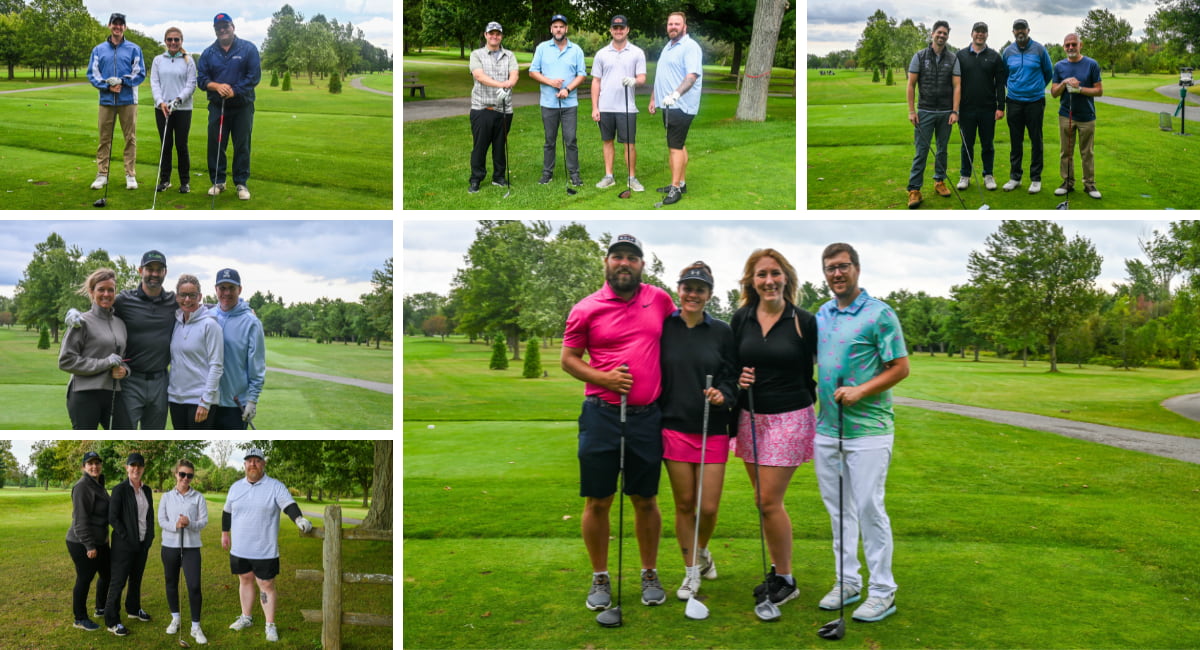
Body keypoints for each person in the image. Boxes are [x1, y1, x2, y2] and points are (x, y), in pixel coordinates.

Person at [561, 234, 676, 612]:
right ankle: (600, 576)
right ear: (606, 263)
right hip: (601, 415)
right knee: (599, 499)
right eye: (617, 257)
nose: (624, 263)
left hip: (646, 417)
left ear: (642, 264)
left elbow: (681, 338)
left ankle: (649, 571)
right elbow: (569, 359)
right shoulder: (585, 308)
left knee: (645, 498)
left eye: (632, 257)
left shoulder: (659, 300)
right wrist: (604, 378)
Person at [813, 243, 910, 623]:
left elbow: (900, 368)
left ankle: (883, 591)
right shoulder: (822, 313)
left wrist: (860, 390)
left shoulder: (879, 314)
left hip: (868, 430)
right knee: (840, 512)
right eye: (830, 268)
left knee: (870, 509)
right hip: (827, 428)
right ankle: (847, 580)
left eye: (843, 267)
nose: (836, 274)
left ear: (857, 268)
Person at [730, 248, 818, 608]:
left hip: (791, 416)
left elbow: (823, 367)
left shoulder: (804, 321)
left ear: (787, 278)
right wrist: (738, 377)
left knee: (768, 500)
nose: (769, 281)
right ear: (751, 281)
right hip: (751, 417)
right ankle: (777, 571)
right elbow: (729, 366)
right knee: (762, 501)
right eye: (762, 274)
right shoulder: (741, 319)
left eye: (775, 273)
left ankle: (785, 577)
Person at [659, 262, 736, 601]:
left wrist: (724, 394)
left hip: (713, 427)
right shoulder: (664, 327)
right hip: (674, 425)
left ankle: (702, 551)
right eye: (688, 287)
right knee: (685, 503)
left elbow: (732, 376)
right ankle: (691, 572)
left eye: (700, 289)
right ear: (679, 290)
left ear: (709, 295)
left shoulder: (721, 331)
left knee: (708, 507)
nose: (693, 294)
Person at [65, 251, 175, 429]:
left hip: (160, 381)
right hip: (130, 381)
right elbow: (99, 307)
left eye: (159, 269)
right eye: (149, 269)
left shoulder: (173, 301)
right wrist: (73, 311)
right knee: (125, 431)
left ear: (165, 272)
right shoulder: (124, 300)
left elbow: (196, 306)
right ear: (140, 271)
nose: (154, 274)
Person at [222, 449, 313, 643]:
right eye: (249, 461)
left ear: (263, 464)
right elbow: (227, 512)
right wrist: (224, 533)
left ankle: (270, 625)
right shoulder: (235, 487)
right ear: (244, 465)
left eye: (257, 461)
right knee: (245, 579)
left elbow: (288, 505)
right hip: (239, 548)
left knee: (266, 585)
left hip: (264, 549)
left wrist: (298, 519)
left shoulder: (275, 486)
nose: (252, 464)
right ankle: (246, 617)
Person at [197, 12, 262, 201]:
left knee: (242, 144)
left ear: (233, 26)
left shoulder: (248, 48)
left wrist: (234, 90)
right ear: (215, 30)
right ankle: (218, 181)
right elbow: (202, 79)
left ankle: (241, 183)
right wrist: (217, 86)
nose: (222, 30)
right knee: (216, 144)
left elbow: (254, 77)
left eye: (226, 26)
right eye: (219, 27)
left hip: (242, 105)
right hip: (218, 106)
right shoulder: (208, 53)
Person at [59, 268, 129, 430]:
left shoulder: (120, 324)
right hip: (84, 393)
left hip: (113, 393)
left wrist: (124, 371)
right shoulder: (80, 321)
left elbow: (123, 358)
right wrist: (105, 363)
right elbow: (66, 361)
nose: (106, 294)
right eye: (101, 289)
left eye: (110, 290)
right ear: (91, 292)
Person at [648, 11, 703, 205]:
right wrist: (654, 98)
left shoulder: (690, 47)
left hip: (681, 106)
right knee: (679, 144)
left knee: (674, 147)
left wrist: (675, 95)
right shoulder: (669, 46)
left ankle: (675, 189)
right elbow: (661, 75)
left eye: (677, 24)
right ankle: (681, 182)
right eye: (670, 23)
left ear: (684, 27)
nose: (673, 27)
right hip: (668, 105)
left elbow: (691, 76)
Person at [904, 20, 961, 209]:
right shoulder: (919, 56)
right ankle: (914, 190)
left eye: (945, 33)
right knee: (921, 151)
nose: (942, 35)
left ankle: (939, 182)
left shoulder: (952, 58)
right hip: (925, 111)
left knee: (942, 150)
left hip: (946, 112)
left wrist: (955, 111)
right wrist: (911, 111)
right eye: (939, 32)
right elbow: (911, 85)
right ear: (932, 34)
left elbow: (957, 86)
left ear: (947, 36)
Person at [87, 12, 145, 191]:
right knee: (104, 139)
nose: (117, 27)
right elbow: (92, 73)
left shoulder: (134, 49)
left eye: (121, 24)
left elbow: (140, 73)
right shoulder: (98, 50)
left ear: (125, 27)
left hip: (128, 100)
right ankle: (102, 174)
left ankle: (130, 174)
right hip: (106, 100)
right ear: (109, 25)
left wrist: (122, 81)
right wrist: (107, 86)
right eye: (115, 24)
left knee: (130, 138)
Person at [589, 15, 647, 191]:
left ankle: (632, 178)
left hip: (627, 107)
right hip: (605, 106)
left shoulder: (637, 52)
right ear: (611, 30)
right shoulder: (601, 54)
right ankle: (609, 176)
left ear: (627, 29)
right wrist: (595, 107)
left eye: (622, 28)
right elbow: (596, 81)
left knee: (629, 144)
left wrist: (634, 81)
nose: (618, 30)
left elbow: (643, 78)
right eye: (615, 28)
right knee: (607, 141)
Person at [528, 14, 587, 187]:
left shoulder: (576, 50)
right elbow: (533, 71)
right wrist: (551, 82)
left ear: (566, 29)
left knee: (570, 140)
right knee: (549, 140)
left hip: (569, 104)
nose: (558, 29)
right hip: (548, 103)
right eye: (555, 26)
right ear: (551, 29)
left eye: (561, 26)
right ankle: (547, 173)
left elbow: (582, 74)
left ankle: (574, 174)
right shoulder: (542, 48)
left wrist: (567, 89)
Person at [158, 459, 209, 645]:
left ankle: (195, 626)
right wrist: (176, 525)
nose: (185, 478)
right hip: (170, 546)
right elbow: (162, 521)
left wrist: (190, 523)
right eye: (182, 474)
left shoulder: (198, 497)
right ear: (176, 474)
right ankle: (176, 618)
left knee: (194, 586)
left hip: (191, 548)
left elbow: (203, 522)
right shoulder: (166, 497)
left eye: (189, 475)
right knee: (171, 582)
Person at [104, 452, 155, 637]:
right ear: (127, 468)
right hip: (123, 546)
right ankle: (112, 620)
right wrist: (126, 536)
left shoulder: (147, 490)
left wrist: (149, 538)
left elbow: (149, 516)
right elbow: (113, 518)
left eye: (139, 466)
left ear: (143, 468)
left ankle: (133, 609)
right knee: (118, 583)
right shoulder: (119, 490)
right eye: (132, 465)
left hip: (142, 545)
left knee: (136, 580)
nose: (136, 469)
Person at [1001, 18, 1053, 194]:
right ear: (1013, 32)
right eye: (1017, 29)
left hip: (1035, 102)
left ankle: (1036, 178)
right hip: (1014, 101)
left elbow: (1048, 72)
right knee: (1016, 141)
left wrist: (1036, 88)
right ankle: (1015, 177)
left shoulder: (1039, 49)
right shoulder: (1007, 52)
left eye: (1023, 28)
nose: (1020, 31)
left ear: (1028, 30)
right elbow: (1005, 75)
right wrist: (1015, 89)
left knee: (1036, 139)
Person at [467, 21, 519, 194]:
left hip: (504, 110)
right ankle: (476, 179)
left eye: (498, 33)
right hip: (482, 108)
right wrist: (501, 85)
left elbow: (514, 75)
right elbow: (479, 76)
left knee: (499, 146)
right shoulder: (477, 54)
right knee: (480, 147)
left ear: (501, 36)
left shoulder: (509, 55)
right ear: (486, 35)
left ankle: (499, 177)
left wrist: (508, 85)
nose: (494, 36)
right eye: (491, 33)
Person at [1051, 33, 1104, 200]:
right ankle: (1067, 182)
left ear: (1080, 45)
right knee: (1065, 152)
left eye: (1074, 44)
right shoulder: (1059, 66)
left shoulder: (1091, 64)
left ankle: (1089, 184)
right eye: (1067, 45)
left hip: (1087, 116)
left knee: (1087, 152)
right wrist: (1064, 82)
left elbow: (1099, 91)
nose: (1071, 48)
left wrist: (1079, 89)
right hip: (1066, 114)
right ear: (1064, 47)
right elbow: (1053, 92)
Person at [955, 22, 1007, 191]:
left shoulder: (994, 56)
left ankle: (988, 175)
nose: (980, 34)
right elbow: (955, 84)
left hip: (988, 109)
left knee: (987, 144)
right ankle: (965, 175)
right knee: (966, 144)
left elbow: (1000, 84)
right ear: (972, 34)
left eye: (983, 32)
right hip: (966, 109)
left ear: (987, 35)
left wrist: (1001, 107)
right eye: (977, 31)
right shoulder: (961, 55)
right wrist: (954, 108)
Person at [211, 268, 266, 430]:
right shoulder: (208, 316)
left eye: (231, 288)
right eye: (222, 288)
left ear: (239, 290)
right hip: (209, 402)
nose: (226, 293)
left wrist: (252, 400)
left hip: (236, 404)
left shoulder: (251, 322)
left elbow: (257, 365)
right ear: (216, 290)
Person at [168, 274, 223, 429]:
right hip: (176, 399)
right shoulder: (177, 322)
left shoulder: (210, 325)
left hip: (199, 401)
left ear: (199, 296)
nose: (187, 300)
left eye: (192, 295)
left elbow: (216, 366)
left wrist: (206, 401)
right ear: (177, 297)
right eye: (183, 295)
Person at [150, 27, 198, 194]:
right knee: (166, 145)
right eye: (170, 39)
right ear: (165, 41)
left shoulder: (188, 60)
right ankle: (165, 180)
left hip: (183, 109)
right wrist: (161, 102)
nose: (173, 43)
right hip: (162, 109)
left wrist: (177, 101)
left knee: (181, 145)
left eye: (176, 40)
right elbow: (155, 83)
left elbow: (191, 84)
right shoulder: (158, 60)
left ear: (181, 41)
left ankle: (185, 182)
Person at [66, 452, 111, 632]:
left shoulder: (99, 484)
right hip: (81, 542)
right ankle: (80, 618)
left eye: (97, 463)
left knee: (108, 574)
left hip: (100, 541)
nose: (94, 467)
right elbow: (80, 520)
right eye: (90, 464)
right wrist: (89, 545)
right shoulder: (82, 486)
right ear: (84, 467)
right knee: (84, 578)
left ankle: (100, 607)